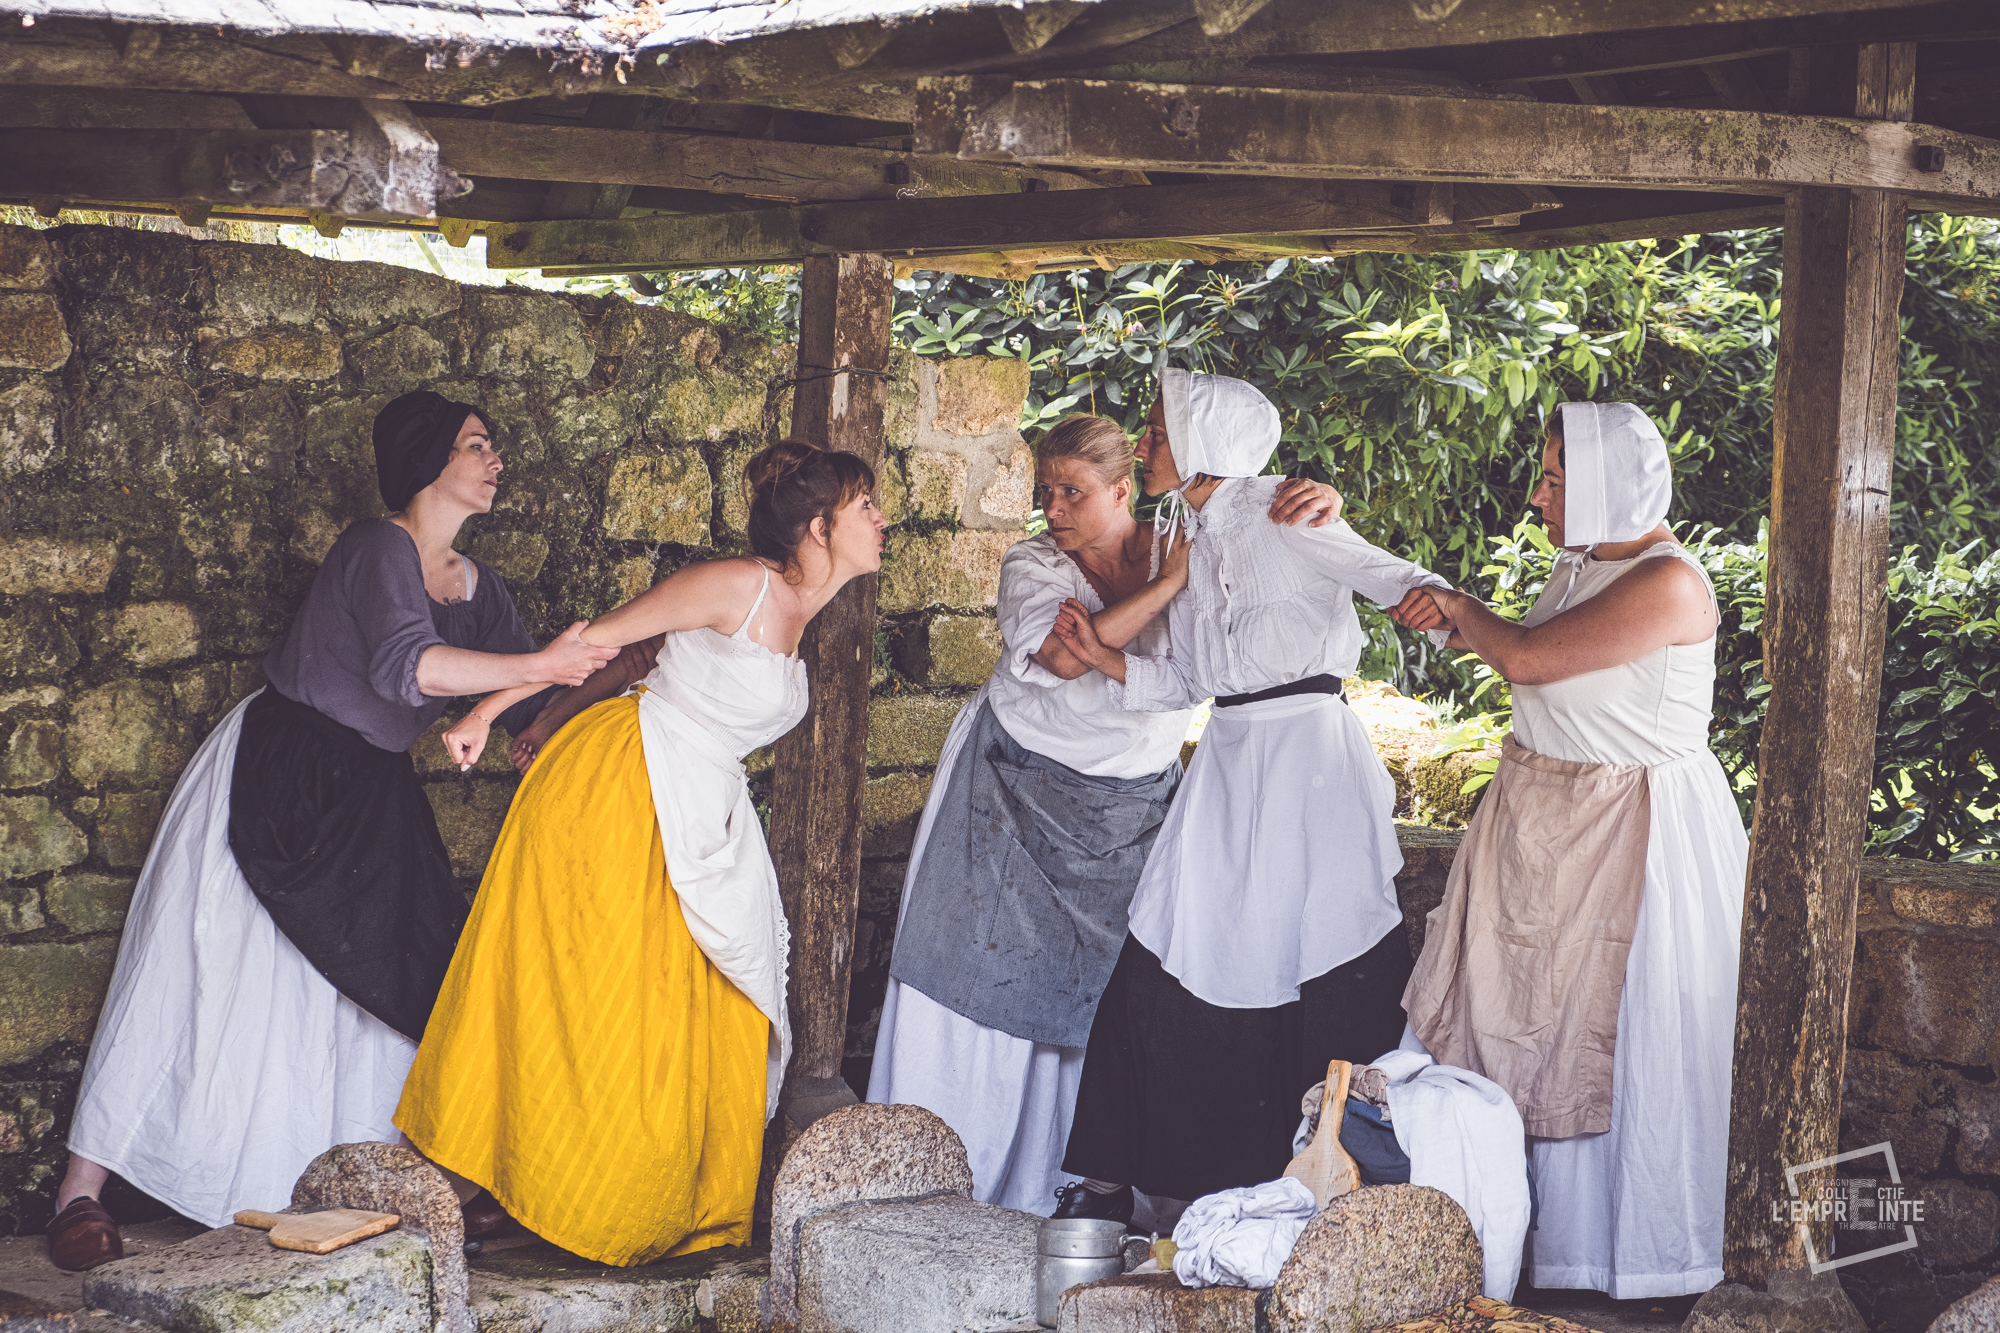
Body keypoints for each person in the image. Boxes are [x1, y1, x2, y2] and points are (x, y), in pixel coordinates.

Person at [51, 392, 609, 1270]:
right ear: (429, 463)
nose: (494, 460)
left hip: (370, 791)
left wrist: (632, 662)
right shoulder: (376, 546)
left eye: (492, 446)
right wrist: (542, 661)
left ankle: (403, 1181)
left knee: (407, 974)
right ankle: (80, 1193)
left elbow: (535, 701)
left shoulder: (480, 588)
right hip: (283, 768)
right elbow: (408, 668)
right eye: (477, 446)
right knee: (197, 974)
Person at [395, 439, 886, 1267]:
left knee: (695, 999)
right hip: (621, 783)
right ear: (817, 526)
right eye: (865, 505)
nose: (881, 519)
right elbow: (590, 644)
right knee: (600, 991)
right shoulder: (739, 584)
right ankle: (488, 1181)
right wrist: (488, 714)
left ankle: (649, 1198)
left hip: (703, 801)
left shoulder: (806, 614)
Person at [866, 415, 1344, 1213]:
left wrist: (1325, 501)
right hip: (1007, 794)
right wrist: (1165, 590)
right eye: (1045, 490)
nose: (1052, 506)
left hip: (1127, 815)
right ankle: (940, 1185)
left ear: (1124, 490)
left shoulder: (1189, 546)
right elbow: (1059, 658)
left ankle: (1068, 1188)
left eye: (1073, 492)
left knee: (1110, 1002)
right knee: (969, 979)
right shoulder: (1035, 565)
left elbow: (1273, 550)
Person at [1048, 369, 1452, 1221]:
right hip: (1229, 764)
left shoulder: (1288, 511)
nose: (1146, 445)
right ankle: (1117, 1178)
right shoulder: (1185, 534)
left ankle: (1348, 1182)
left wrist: (1448, 613)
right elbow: (1191, 679)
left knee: (1328, 955)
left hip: (1308, 764)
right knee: (1171, 939)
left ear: (1201, 436)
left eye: (1158, 432)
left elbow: (1396, 578)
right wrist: (1100, 656)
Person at [1395, 401, 1741, 1299]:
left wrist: (1468, 611)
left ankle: (1619, 1260)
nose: (1539, 493)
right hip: (1548, 829)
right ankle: (1506, 1238)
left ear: (1607, 484)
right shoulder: (1582, 564)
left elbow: (1531, 661)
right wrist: (1451, 618)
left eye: (1556, 475)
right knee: (1513, 1025)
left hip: (1633, 837)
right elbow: (1547, 672)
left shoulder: (1669, 582)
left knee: (1614, 1038)